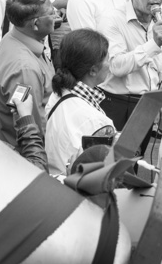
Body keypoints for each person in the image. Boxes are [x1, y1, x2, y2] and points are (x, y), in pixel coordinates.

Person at [97, 0, 162, 155]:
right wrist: (153, 44)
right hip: (117, 103)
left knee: (136, 161)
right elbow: (116, 66)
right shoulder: (112, 20)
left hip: (147, 104)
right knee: (114, 164)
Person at [45, 29, 115, 175]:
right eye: (107, 58)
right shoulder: (97, 121)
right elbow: (103, 171)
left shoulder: (58, 93)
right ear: (93, 70)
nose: (110, 63)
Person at [0, 0, 56, 144]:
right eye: (50, 12)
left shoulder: (12, 37)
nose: (55, 14)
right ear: (36, 24)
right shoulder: (25, 69)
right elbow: (33, 126)